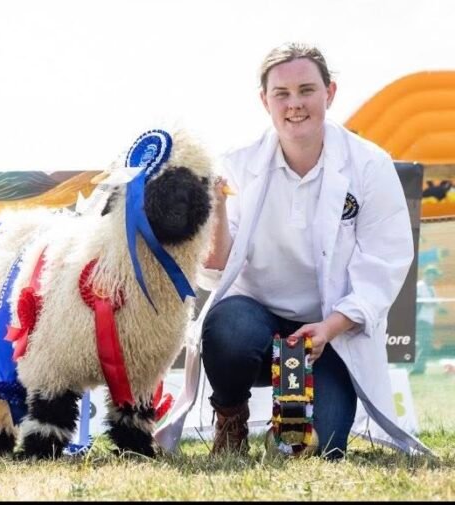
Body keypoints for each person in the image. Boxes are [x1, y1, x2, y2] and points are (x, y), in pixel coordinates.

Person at [154, 42, 433, 459]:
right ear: (264, 100)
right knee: (227, 329)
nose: (295, 104)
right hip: (256, 320)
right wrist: (218, 204)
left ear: (330, 93)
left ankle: (290, 425)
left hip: (329, 334)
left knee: (323, 447)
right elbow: (216, 268)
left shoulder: (370, 166)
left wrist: (329, 328)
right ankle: (230, 417)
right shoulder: (235, 163)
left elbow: (385, 263)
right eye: (281, 94)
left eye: (306, 90)